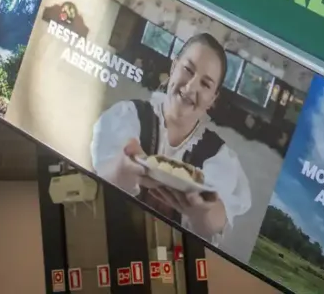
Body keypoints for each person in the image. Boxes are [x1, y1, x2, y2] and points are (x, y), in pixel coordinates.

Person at [91, 33, 251, 244]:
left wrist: (201, 214)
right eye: (188, 69)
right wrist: (124, 169)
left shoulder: (219, 157)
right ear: (174, 66)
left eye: (205, 84)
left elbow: (217, 220)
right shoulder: (129, 116)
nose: (192, 86)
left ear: (213, 98)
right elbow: (102, 177)